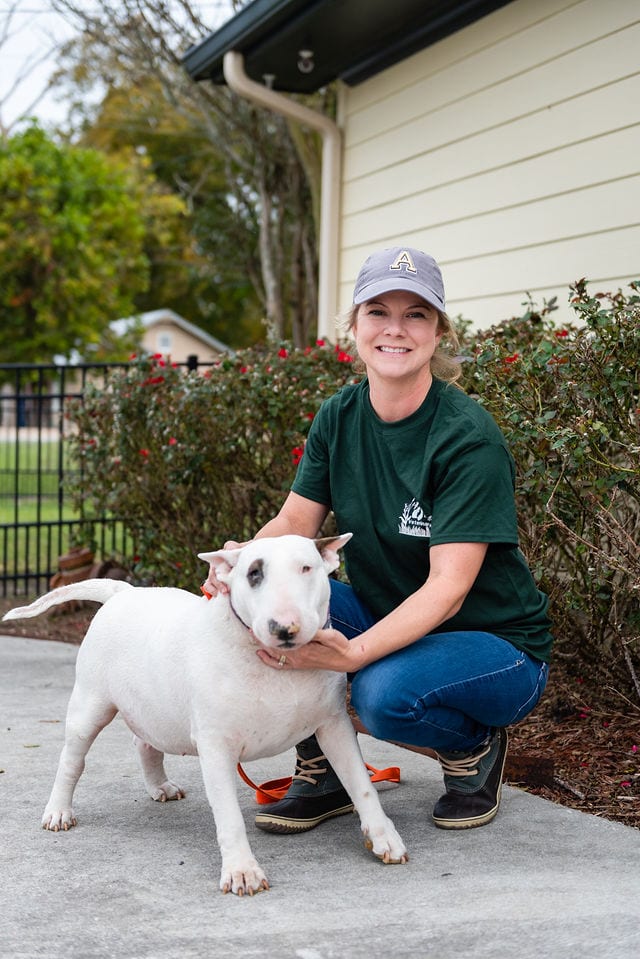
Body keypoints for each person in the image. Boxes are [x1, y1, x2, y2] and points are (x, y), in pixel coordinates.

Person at [204, 245, 553, 834]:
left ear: (438, 332)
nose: (396, 328)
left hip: (494, 644)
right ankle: (327, 770)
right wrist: (241, 567)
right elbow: (294, 525)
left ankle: (473, 748)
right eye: (378, 312)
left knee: (379, 696)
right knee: (279, 610)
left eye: (416, 314)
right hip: (389, 611)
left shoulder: (467, 437)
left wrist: (356, 654)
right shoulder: (339, 415)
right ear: (356, 327)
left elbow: (447, 587)